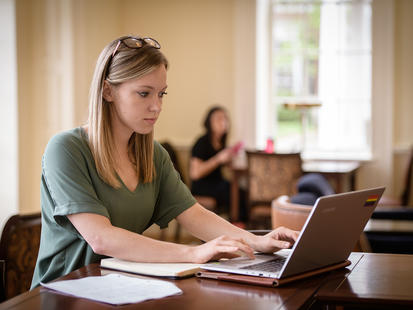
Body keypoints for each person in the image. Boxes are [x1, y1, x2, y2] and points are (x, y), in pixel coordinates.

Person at [31, 35, 299, 288]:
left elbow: (194, 214)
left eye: (162, 94)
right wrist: (194, 253)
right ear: (108, 91)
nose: (157, 106)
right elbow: (101, 239)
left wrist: (258, 242)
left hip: (119, 286)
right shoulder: (65, 149)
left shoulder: (153, 155)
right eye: (144, 93)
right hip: (63, 292)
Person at [190, 106, 247, 221]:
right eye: (219, 119)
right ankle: (236, 226)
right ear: (209, 123)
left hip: (217, 184)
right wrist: (218, 159)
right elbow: (195, 173)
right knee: (234, 193)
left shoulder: (221, 143)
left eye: (225, 119)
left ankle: (238, 225)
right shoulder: (202, 142)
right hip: (202, 187)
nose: (223, 122)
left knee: (242, 192)